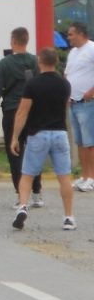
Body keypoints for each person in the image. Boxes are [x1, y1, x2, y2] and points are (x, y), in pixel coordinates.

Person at [10, 47, 75, 231]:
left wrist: (15, 137)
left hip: (38, 134)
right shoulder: (64, 84)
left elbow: (23, 112)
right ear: (55, 62)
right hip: (59, 133)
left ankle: (22, 206)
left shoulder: (33, 84)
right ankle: (68, 217)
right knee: (64, 177)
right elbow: (65, 106)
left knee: (28, 174)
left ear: (40, 62)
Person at [0, 27, 42, 208]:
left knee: (14, 152)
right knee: (34, 150)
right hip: (32, 111)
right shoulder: (35, 61)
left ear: (13, 41)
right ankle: (36, 192)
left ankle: (20, 195)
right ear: (26, 41)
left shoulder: (4, 63)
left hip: (11, 110)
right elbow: (39, 85)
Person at [65, 21, 94, 192]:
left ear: (81, 34)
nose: (68, 38)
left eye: (71, 34)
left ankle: (92, 177)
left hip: (88, 103)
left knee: (91, 142)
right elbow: (68, 73)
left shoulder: (91, 49)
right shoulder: (73, 53)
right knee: (80, 142)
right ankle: (84, 176)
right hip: (73, 102)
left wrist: (91, 91)